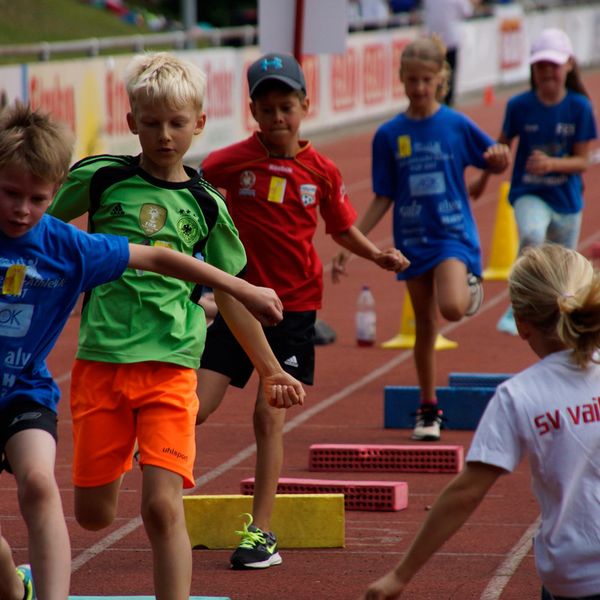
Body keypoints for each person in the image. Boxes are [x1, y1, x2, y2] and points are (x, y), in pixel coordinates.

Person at [0, 102, 302, 600]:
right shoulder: (98, 181)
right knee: (93, 517)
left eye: (36, 199)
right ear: (131, 121)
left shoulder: (73, 244)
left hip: (145, 371)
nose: (23, 210)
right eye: (12, 195)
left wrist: (249, 308)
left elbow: (165, 258)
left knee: (133, 502)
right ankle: (16, 579)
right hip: (102, 367)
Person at [196, 52, 409, 570]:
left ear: (306, 106)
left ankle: (261, 533)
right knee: (196, 406)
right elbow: (194, 192)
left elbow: (339, 229)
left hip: (293, 312)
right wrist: (201, 271)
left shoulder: (323, 170)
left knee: (268, 417)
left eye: (286, 106)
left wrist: (375, 253)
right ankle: (151, 452)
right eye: (265, 108)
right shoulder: (230, 161)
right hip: (240, 304)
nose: (277, 118)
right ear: (252, 111)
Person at [362, 243, 600, 600]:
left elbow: (466, 493)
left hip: (575, 571)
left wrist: (399, 575)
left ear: (521, 324)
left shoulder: (519, 395)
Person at [334, 36, 511, 442]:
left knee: (451, 308)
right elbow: (384, 194)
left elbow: (494, 157)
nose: (418, 88)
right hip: (411, 239)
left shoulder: (455, 124)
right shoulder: (389, 134)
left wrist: (498, 160)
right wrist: (354, 239)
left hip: (451, 233)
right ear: (401, 79)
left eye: (426, 80)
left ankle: (471, 285)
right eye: (411, 80)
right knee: (425, 328)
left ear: (441, 80)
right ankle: (429, 409)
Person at [471, 28, 597, 337]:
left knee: (565, 273)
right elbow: (500, 146)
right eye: (540, 66)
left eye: (553, 65)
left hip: (567, 200)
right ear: (532, 69)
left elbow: (583, 160)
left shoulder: (579, 107)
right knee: (531, 234)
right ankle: (516, 308)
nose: (547, 72)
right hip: (529, 192)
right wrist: (483, 178)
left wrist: (552, 164)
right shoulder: (519, 105)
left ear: (568, 65)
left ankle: (561, 323)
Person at [423, 0, 481, 105]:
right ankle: (447, 102)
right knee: (449, 74)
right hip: (449, 41)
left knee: (434, 73)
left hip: (434, 41)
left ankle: (436, 101)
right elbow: (467, 11)